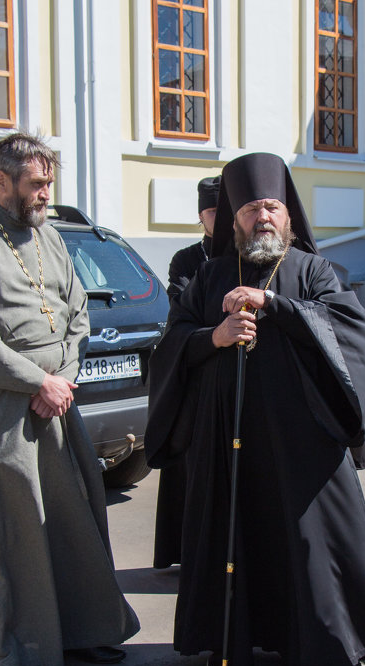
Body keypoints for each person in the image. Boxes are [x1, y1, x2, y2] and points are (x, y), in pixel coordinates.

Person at [145, 152, 365, 666]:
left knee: (310, 540)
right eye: (253, 209)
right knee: (230, 532)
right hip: (226, 436)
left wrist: (275, 306)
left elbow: (349, 330)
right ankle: (229, 642)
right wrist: (211, 338)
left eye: (274, 208)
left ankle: (320, 650)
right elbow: (170, 344)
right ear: (234, 218)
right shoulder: (209, 276)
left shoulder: (313, 270)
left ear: (289, 217)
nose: (263, 217)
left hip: (301, 437)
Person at [0, 132, 139, 666]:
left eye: (49, 182)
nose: (45, 193)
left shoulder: (50, 235)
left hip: (57, 401)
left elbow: (77, 313)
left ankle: (85, 630)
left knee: (72, 520)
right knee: (8, 528)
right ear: (1, 182)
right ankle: (11, 651)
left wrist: (63, 377)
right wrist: (37, 382)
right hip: (1, 405)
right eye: (36, 183)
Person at [153, 175, 220, 569]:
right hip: (194, 371)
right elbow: (184, 310)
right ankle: (187, 551)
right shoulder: (186, 260)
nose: (219, 218)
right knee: (190, 467)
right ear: (201, 216)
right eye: (212, 211)